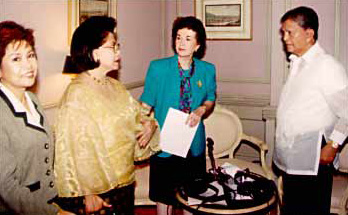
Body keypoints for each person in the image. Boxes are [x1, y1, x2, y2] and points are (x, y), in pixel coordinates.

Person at [54, 16, 160, 215]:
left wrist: (150, 125)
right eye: (113, 47)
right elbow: (69, 150)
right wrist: (86, 194)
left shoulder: (116, 86)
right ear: (94, 53)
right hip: (98, 193)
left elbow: (137, 118)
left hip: (125, 185)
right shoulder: (77, 94)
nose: (119, 52)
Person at [274, 6, 348, 215]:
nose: (285, 38)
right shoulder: (299, 64)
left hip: (313, 160)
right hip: (294, 159)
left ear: (309, 34)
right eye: (283, 33)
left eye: (290, 32)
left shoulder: (327, 66)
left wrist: (333, 145)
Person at [140, 16, 217, 214]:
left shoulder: (207, 70)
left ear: (198, 45)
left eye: (188, 38)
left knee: (192, 196)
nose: (181, 43)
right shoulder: (158, 68)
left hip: (193, 141)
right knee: (163, 196)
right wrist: (144, 123)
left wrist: (201, 110)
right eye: (178, 37)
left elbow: (210, 98)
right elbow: (145, 104)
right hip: (165, 142)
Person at [0, 21, 72, 215]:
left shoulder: (32, 99)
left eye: (31, 55)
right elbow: (6, 188)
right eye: (16, 59)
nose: (28, 65)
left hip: (48, 202)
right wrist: (54, 213)